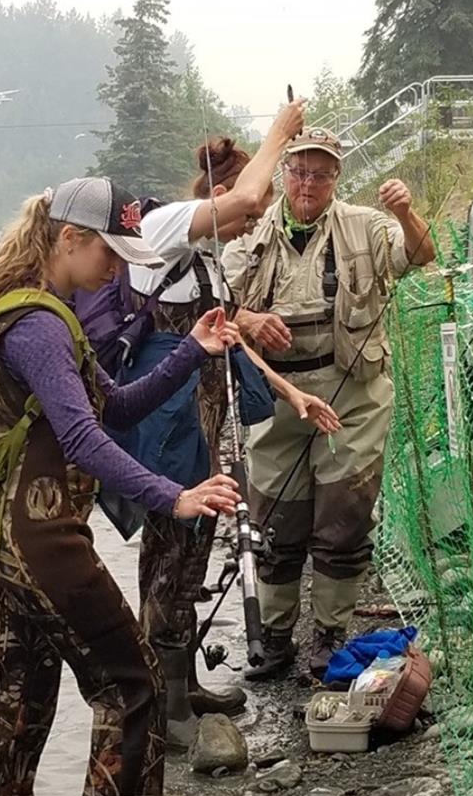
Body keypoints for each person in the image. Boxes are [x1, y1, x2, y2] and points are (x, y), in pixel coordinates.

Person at [0, 175, 243, 796]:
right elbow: (85, 439)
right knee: (131, 680)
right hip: (45, 540)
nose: (117, 270)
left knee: (14, 692)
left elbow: (112, 406)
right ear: (67, 240)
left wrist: (191, 348)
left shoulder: (27, 314)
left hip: (6, 546)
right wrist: (173, 496)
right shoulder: (41, 328)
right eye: (108, 254)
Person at [123, 101, 340, 749]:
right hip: (164, 431)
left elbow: (232, 342)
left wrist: (291, 393)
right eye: (248, 208)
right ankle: (162, 711)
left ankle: (183, 682)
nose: (254, 215)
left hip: (201, 426)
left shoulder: (208, 262)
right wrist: (280, 132)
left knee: (192, 556)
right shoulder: (160, 234)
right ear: (218, 197)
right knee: (165, 560)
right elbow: (247, 196)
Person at [224, 127, 435, 681]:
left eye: (321, 173)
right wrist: (248, 319)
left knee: (343, 522)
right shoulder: (248, 238)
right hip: (276, 402)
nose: (308, 183)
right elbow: (218, 314)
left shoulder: (367, 225)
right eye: (298, 171)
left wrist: (408, 213)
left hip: (354, 395)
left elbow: (421, 253)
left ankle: (328, 635)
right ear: (283, 175)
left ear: (336, 177)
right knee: (275, 526)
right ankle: (273, 638)